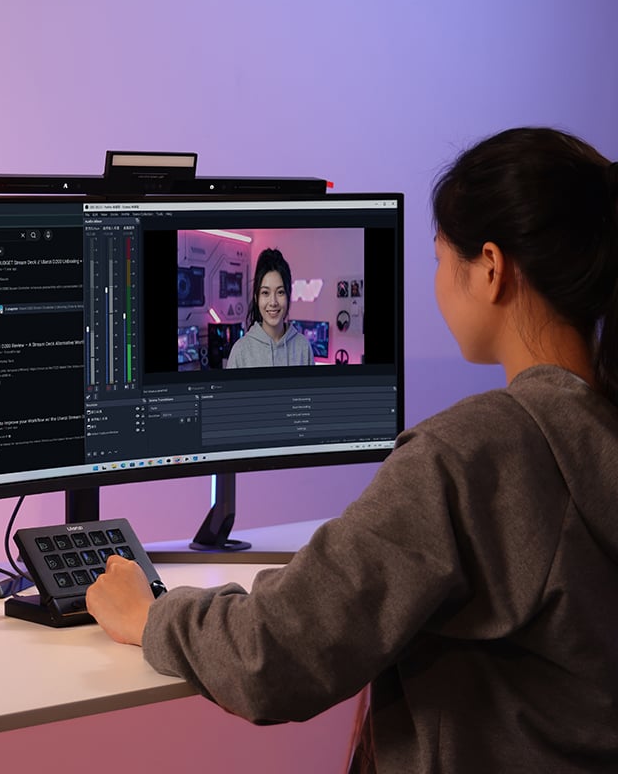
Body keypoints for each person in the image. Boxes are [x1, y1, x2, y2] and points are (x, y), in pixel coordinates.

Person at [86, 127, 618, 773]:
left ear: (490, 267)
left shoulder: (469, 455)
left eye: (438, 259)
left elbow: (273, 653)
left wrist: (151, 615)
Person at [226, 248, 314, 367]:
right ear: (256, 297)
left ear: (288, 296)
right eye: (265, 293)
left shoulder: (303, 347)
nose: (273, 302)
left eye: (280, 292)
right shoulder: (240, 351)